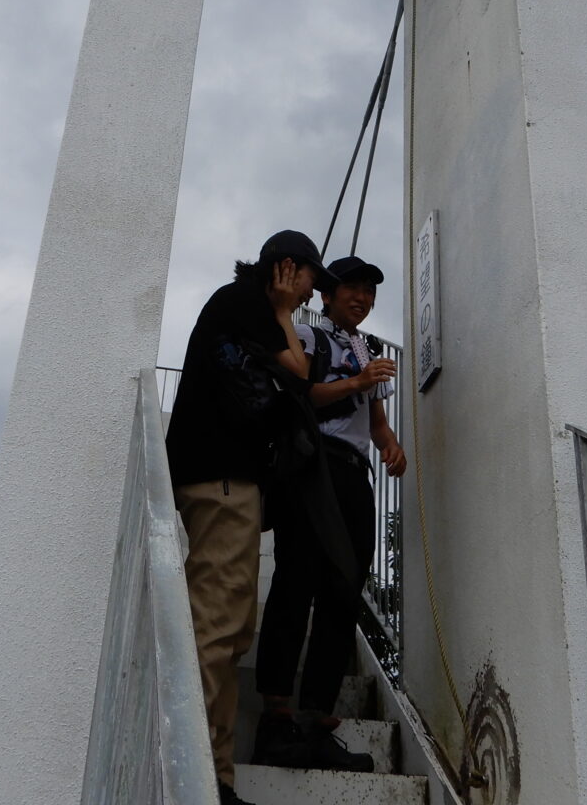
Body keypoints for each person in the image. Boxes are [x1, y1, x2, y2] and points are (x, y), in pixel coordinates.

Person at [166, 230, 338, 805]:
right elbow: (300, 371)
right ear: (288, 269)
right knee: (216, 626)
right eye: (313, 277)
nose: (315, 292)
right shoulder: (244, 302)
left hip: (228, 480)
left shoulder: (242, 308)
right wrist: (287, 310)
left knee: (234, 626)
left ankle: (217, 775)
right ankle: (197, 777)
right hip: (219, 479)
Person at [252, 255, 407, 773]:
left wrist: (389, 445)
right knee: (296, 580)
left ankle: (317, 718)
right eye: (352, 290)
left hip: (354, 474)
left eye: (369, 292)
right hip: (312, 465)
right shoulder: (307, 335)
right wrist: (358, 383)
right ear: (327, 295)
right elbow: (303, 397)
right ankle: (275, 716)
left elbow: (375, 420)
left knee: (344, 590)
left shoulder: (366, 346)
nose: (362, 299)